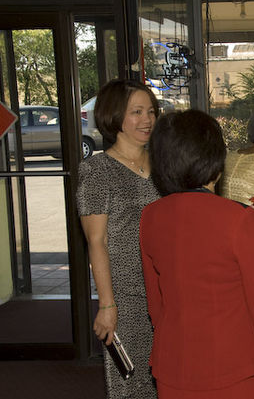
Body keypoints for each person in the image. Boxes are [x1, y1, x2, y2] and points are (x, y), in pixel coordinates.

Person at [140, 110, 254, 399]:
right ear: (215, 161)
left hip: (173, 360)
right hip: (230, 363)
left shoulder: (150, 217)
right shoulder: (239, 219)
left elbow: (156, 303)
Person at [76, 79, 160, 398]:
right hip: (125, 297)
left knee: (169, 378)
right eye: (136, 112)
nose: (147, 119)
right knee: (132, 383)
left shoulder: (163, 164)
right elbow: (96, 242)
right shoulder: (97, 171)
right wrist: (107, 305)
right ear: (114, 116)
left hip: (166, 290)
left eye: (150, 111)